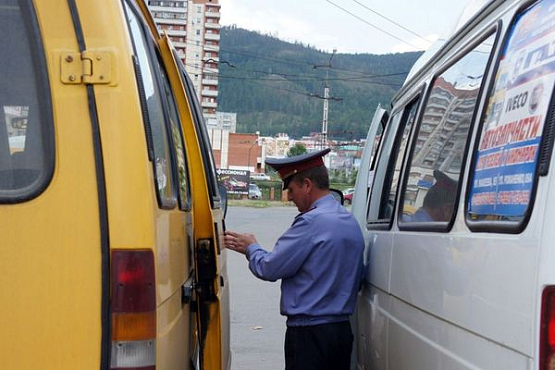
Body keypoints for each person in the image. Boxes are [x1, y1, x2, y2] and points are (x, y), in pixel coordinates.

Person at [224, 148, 364, 370]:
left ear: (307, 185)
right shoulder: (349, 221)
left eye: (291, 189)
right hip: (340, 333)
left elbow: (269, 268)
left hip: (309, 335)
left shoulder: (311, 223)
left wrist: (251, 248)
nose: (288, 196)